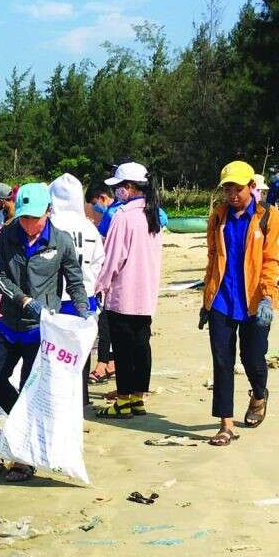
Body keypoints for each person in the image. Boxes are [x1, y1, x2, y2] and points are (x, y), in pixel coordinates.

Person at [0, 183, 86, 453]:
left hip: (41, 330)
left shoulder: (61, 241)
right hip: (8, 323)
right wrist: (23, 301)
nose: (29, 224)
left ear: (49, 212)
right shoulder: (7, 235)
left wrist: (84, 312)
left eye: (35, 218)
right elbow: (0, 276)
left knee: (29, 389)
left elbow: (75, 282)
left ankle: (25, 451)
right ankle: (26, 426)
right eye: (25, 217)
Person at [200, 160, 279, 446]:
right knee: (222, 362)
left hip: (254, 299)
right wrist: (206, 300)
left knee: (253, 358)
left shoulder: (269, 217)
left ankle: (259, 395)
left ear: (251, 186)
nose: (233, 194)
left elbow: (273, 260)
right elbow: (213, 258)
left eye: (238, 188)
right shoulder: (218, 216)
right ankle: (226, 424)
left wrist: (268, 298)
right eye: (228, 189)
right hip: (222, 299)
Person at [92, 162, 164, 418]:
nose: (117, 192)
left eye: (120, 187)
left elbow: (113, 258)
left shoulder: (123, 216)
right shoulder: (152, 214)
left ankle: (123, 399)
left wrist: (99, 285)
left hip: (123, 293)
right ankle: (137, 397)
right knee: (141, 346)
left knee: (122, 349)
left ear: (130, 187)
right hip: (146, 293)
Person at [48, 174, 103, 399]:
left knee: (56, 352)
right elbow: (99, 261)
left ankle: (59, 396)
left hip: (57, 297)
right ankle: (81, 396)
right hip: (85, 296)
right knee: (82, 349)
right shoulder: (89, 228)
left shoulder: (51, 225)